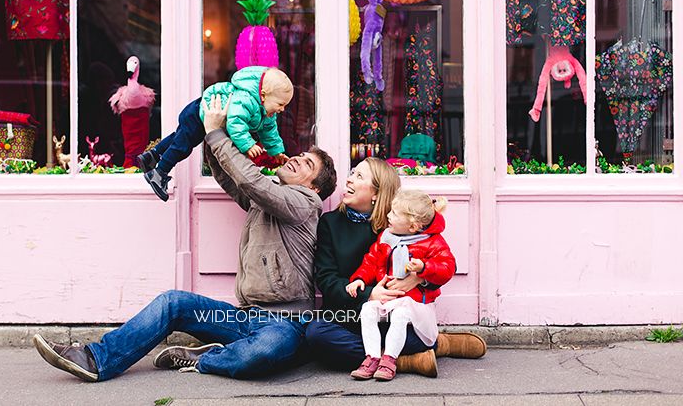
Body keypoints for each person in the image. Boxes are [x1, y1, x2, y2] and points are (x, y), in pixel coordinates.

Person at [33, 93, 337, 381]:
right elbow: (234, 179)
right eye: (300, 155)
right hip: (242, 318)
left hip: (287, 325)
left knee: (265, 350)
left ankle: (204, 359)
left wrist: (218, 135)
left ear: (314, 188)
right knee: (172, 303)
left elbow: (253, 181)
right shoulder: (270, 198)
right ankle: (96, 359)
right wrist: (212, 128)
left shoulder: (306, 205)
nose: (297, 159)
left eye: (308, 164)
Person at [306, 157, 486, 378]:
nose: (349, 180)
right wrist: (370, 294)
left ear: (376, 193)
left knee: (407, 329)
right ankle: (408, 360)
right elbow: (326, 280)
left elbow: (444, 260)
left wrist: (419, 277)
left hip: (392, 315)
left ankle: (427, 346)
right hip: (350, 315)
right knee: (316, 334)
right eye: (352, 173)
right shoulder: (330, 223)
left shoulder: (396, 222)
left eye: (359, 176)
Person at [138, 66, 293, 201]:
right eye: (280, 104)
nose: (282, 109)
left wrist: (276, 151)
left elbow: (269, 132)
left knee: (177, 138)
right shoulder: (246, 99)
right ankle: (159, 173)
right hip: (199, 116)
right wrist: (248, 144)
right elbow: (235, 122)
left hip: (200, 115)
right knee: (181, 146)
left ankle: (151, 156)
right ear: (264, 95)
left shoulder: (267, 113)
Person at [346, 189, 455, 381]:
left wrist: (424, 268)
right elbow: (371, 261)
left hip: (415, 303)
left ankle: (389, 360)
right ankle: (372, 357)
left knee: (400, 315)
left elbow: (447, 268)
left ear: (413, 227)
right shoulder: (386, 238)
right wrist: (360, 278)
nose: (388, 215)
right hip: (390, 297)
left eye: (394, 214)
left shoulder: (432, 243)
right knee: (368, 310)